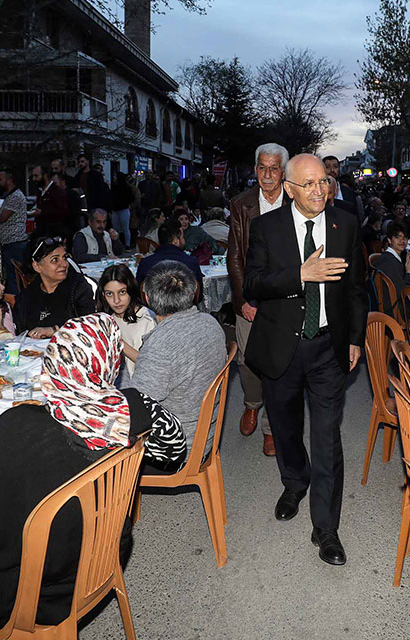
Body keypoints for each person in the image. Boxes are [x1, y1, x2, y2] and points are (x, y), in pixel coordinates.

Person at [0, 314, 187, 639]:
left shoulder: (13, 426)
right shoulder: (137, 408)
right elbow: (174, 451)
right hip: (104, 552)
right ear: (110, 359)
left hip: (30, 589)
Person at [243, 153, 367, 566]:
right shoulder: (266, 226)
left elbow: (355, 287)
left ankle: (326, 528)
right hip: (282, 345)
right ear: (291, 188)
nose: (319, 190)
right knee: (286, 425)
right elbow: (253, 282)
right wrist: (300, 275)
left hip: (329, 346)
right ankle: (295, 481)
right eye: (309, 184)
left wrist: (354, 338)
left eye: (324, 182)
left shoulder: (345, 223)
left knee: (328, 437)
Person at [228, 143, 289, 452]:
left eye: (273, 168)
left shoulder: (297, 201)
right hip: (251, 295)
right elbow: (235, 258)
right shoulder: (241, 205)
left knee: (279, 364)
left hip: (285, 297)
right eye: (262, 167)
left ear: (283, 171)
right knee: (249, 359)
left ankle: (271, 426)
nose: (267, 174)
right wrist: (244, 301)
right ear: (255, 170)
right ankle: (252, 403)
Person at [130, 261, 226, 450]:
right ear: (194, 291)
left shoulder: (161, 345)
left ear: (147, 298)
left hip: (177, 447)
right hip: (205, 434)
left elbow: (136, 411)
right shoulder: (211, 323)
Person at [11, 236, 96, 339]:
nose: (64, 264)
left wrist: (54, 330)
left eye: (64, 257)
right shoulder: (27, 296)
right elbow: (19, 333)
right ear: (37, 266)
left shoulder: (78, 288)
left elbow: (89, 327)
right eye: (55, 260)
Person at [96, 264, 155, 383]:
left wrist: (118, 342)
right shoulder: (106, 319)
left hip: (142, 386)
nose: (116, 300)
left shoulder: (147, 320)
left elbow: (151, 365)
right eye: (109, 294)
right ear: (103, 295)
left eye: (122, 292)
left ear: (131, 290)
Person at [374, 221, 410, 320]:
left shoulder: (387, 257)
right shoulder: (391, 263)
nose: (402, 240)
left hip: (385, 306)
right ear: (389, 240)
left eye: (404, 237)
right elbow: (402, 292)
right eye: (397, 237)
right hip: (395, 312)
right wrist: (409, 272)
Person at [0, 169, 29, 295]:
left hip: (15, 243)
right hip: (10, 243)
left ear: (9, 180)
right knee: (11, 275)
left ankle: (16, 304)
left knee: (15, 277)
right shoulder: (9, 195)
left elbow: (2, 217)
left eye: (0, 179)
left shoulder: (15, 196)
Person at [136, 221, 203, 284]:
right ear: (175, 240)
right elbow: (198, 293)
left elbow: (139, 292)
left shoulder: (145, 263)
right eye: (182, 237)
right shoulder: (191, 262)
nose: (184, 241)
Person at [109, 170, 135, 246]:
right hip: (121, 209)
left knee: (122, 228)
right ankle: (121, 244)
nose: (114, 178)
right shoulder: (125, 188)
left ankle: (124, 244)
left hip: (120, 209)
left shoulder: (117, 188)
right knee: (123, 228)